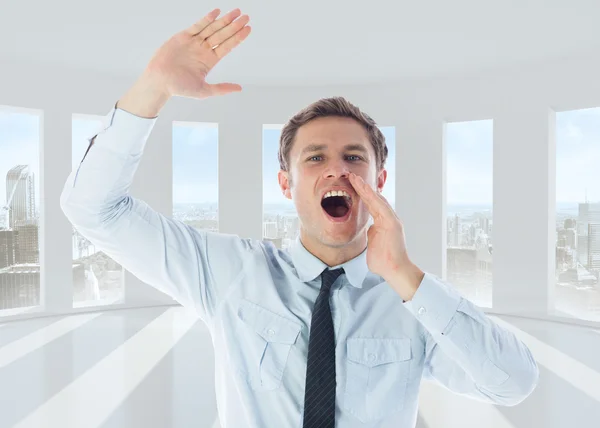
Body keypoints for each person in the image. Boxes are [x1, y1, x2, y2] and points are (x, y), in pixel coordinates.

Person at [60, 7, 539, 428]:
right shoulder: (228, 271)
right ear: (285, 183)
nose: (337, 168)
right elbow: (92, 209)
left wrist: (405, 275)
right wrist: (153, 88)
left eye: (354, 157)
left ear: (380, 180)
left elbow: (513, 383)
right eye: (314, 158)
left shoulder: (412, 302)